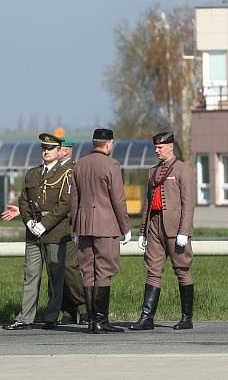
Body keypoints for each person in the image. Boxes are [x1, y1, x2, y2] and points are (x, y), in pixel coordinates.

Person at [3, 133, 72, 331]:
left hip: (55, 230)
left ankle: (51, 316)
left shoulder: (66, 174)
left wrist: (45, 224)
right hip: (33, 230)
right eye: (44, 148)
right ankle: (25, 318)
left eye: (50, 149)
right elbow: (23, 200)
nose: (46, 152)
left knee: (55, 276)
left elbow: (65, 203)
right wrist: (29, 222)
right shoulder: (32, 174)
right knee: (31, 275)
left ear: (59, 151)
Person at [131, 131, 196, 331]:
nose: (156, 150)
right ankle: (146, 318)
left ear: (170, 146)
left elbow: (189, 203)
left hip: (175, 228)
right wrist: (142, 231)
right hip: (155, 226)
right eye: (156, 147)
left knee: (182, 270)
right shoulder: (153, 172)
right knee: (153, 271)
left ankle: (186, 318)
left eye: (160, 147)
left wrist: (184, 231)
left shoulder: (184, 170)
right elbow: (148, 204)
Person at [69, 128, 131, 334]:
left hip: (84, 225)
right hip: (106, 225)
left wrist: (76, 226)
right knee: (104, 271)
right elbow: (118, 200)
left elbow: (74, 199)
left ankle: (91, 321)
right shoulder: (111, 165)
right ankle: (101, 322)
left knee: (88, 271)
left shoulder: (79, 164)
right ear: (108, 144)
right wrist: (126, 228)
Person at [57, 137, 86, 326]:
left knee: (70, 267)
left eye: (57, 148)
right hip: (54, 225)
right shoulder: (53, 170)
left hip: (70, 224)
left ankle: (84, 308)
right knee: (58, 269)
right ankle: (68, 310)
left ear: (66, 151)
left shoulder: (75, 170)